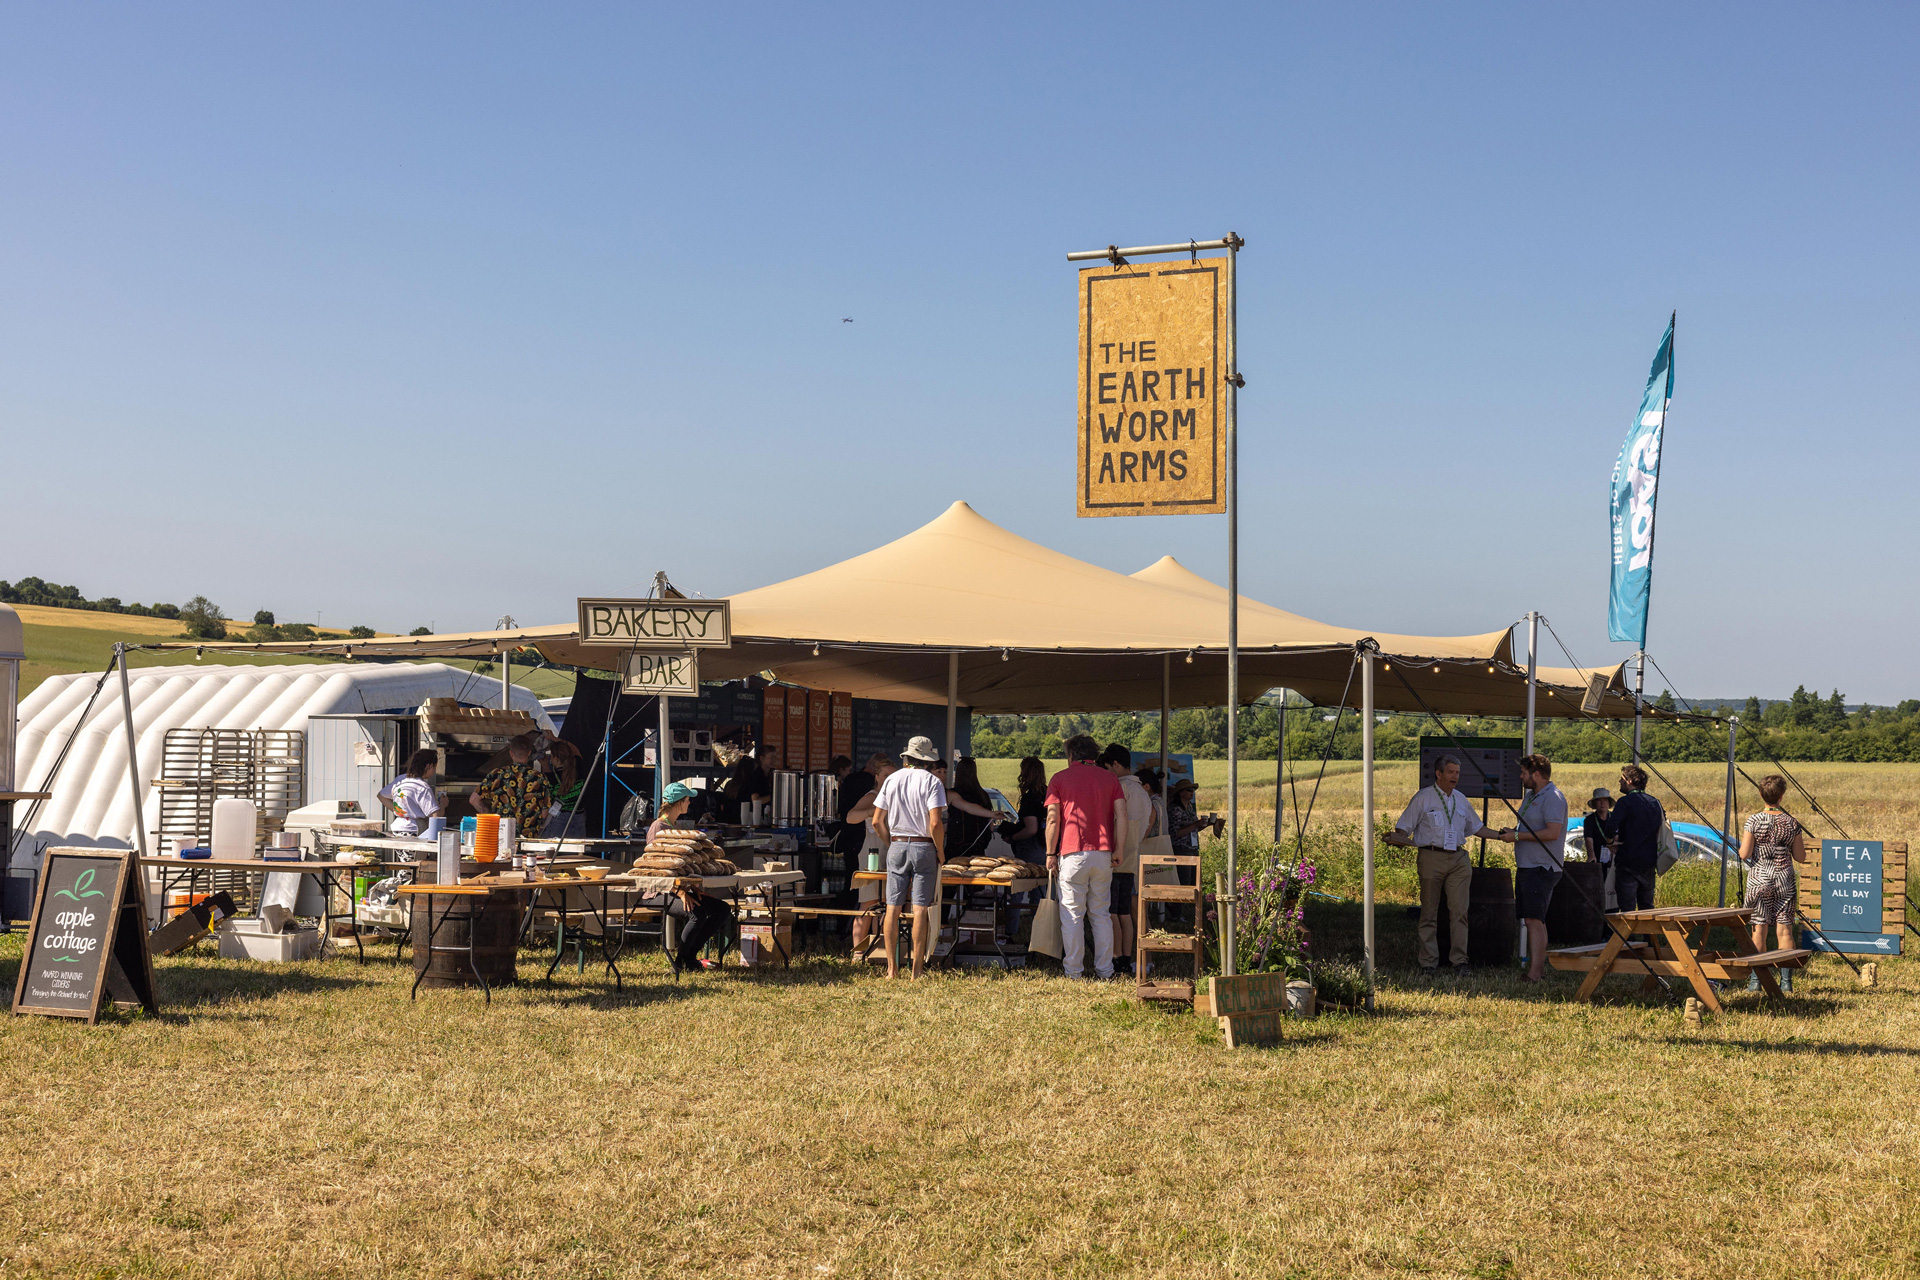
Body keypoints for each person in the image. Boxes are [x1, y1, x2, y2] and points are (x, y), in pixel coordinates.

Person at [1384, 754, 1501, 975]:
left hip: (1458, 859)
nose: (1455, 776)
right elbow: (1403, 828)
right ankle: (1428, 962)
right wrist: (1397, 838)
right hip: (1431, 857)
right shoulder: (1423, 798)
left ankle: (1460, 961)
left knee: (1460, 912)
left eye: (1457, 772)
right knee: (1429, 912)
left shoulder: (1461, 799)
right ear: (1438, 773)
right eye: (1450, 772)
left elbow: (1477, 828)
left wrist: (1502, 836)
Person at [1045, 734, 1128, 980]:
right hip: (1103, 853)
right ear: (1094, 754)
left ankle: (1074, 971)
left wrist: (1050, 852)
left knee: (1071, 913)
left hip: (1071, 852)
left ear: (1071, 755)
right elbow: (1122, 815)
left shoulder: (1059, 778)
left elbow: (1052, 818)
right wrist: (1119, 849)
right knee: (1101, 914)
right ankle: (1105, 970)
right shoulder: (1110, 778)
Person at [634, 783, 732, 974]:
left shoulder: (675, 825)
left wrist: (694, 889)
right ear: (678, 802)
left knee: (722, 909)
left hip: (678, 889)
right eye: (687, 799)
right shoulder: (658, 827)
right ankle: (680, 962)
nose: (689, 802)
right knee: (697, 913)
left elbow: (681, 867)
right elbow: (658, 868)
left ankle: (689, 957)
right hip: (658, 892)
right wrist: (680, 893)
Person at [871, 736, 947, 979]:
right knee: (920, 909)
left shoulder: (891, 779)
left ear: (907, 758)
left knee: (892, 907)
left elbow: (876, 821)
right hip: (924, 846)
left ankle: (892, 969)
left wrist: (890, 842)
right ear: (927, 761)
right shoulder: (932, 782)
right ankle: (917, 970)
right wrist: (941, 851)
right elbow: (935, 823)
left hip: (897, 843)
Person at [1739, 774, 1810, 992]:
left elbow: (1744, 854)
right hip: (1784, 879)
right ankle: (1786, 982)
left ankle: (1756, 980)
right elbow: (1800, 857)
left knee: (1758, 930)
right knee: (1785, 930)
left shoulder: (1753, 821)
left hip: (1759, 878)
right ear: (1782, 795)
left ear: (1761, 794)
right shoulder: (1791, 823)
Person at [1500, 754, 1567, 983]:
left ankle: (1534, 974)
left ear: (1536, 774)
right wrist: (1514, 831)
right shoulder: (1532, 795)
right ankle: (1538, 970)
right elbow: (1531, 828)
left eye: (1524, 773)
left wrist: (1517, 835)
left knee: (1533, 921)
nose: (1521, 777)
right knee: (1536, 919)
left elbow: (1552, 832)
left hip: (1542, 867)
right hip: (1529, 865)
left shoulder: (1554, 797)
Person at [1101, 743, 1152, 977]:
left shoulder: (1120, 787)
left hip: (1115, 856)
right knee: (1124, 913)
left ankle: (1116, 958)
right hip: (1133, 858)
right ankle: (1126, 958)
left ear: (1115, 764)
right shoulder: (1143, 792)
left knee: (1112, 912)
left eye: (1107, 767)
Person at [1602, 764, 1666, 913]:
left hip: (1628, 862)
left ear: (1629, 781)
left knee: (1627, 910)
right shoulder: (1655, 802)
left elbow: (1610, 827)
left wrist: (1610, 842)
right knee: (1647, 908)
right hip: (1649, 862)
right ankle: (1648, 936)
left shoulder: (1625, 802)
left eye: (1622, 779)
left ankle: (1627, 937)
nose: (1620, 782)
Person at [474, 734, 554, 838]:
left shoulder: (496, 774)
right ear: (529, 753)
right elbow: (544, 813)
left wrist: (491, 817)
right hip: (528, 840)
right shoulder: (540, 778)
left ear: (511, 753)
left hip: (501, 837)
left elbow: (474, 800)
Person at [941, 756, 1000, 862]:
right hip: (979, 845)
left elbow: (945, 822)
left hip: (955, 846)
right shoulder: (983, 795)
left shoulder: (952, 794)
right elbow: (990, 826)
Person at [378, 749, 444, 836]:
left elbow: (381, 796)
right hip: (414, 830)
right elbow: (436, 817)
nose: (434, 771)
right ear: (429, 766)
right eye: (435, 767)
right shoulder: (423, 787)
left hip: (398, 828)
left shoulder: (401, 779)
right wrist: (443, 805)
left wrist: (400, 811)